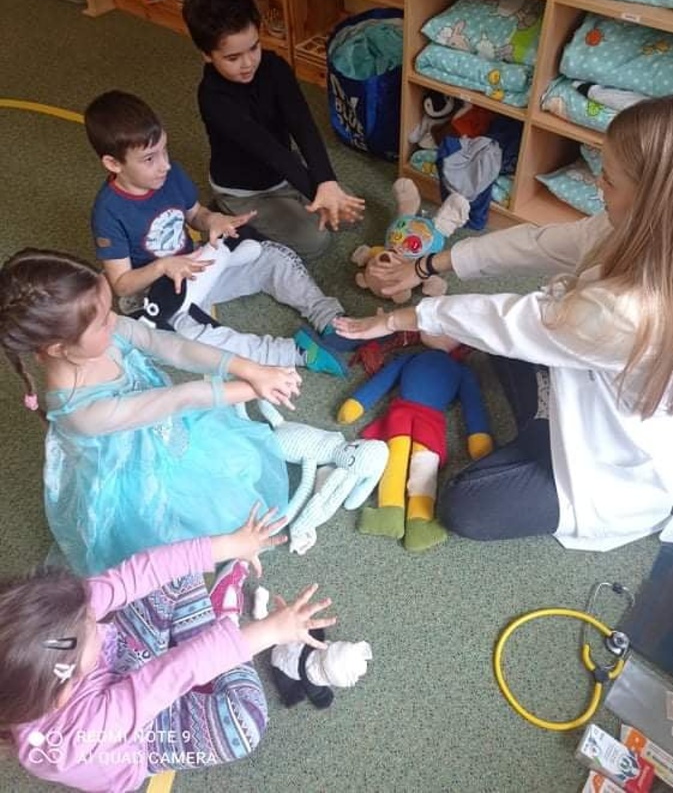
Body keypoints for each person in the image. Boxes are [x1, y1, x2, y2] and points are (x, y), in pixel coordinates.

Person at [334, 96, 673, 553]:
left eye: (609, 180)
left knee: (465, 505)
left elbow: (522, 320)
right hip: (586, 374)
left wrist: (403, 317)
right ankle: (537, 414)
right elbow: (537, 244)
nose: (598, 185)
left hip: (612, 467)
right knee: (500, 343)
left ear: (651, 199)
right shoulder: (632, 227)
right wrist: (426, 265)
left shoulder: (634, 307)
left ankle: (539, 426)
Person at [0, 248, 303, 576]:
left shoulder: (108, 329)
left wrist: (251, 369)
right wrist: (256, 386)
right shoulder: (79, 411)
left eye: (109, 308)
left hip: (170, 429)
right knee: (169, 534)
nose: (114, 319)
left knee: (233, 467)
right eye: (101, 322)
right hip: (135, 474)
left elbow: (173, 346)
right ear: (59, 348)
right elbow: (178, 399)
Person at [0, 507, 336, 793]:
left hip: (119, 666)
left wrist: (230, 544)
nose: (94, 611)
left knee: (174, 572)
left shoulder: (62, 626)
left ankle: (217, 635)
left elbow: (134, 575)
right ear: (63, 689)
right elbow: (168, 676)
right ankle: (223, 622)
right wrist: (269, 631)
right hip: (138, 741)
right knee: (245, 723)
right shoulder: (75, 735)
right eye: (89, 623)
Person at [85, 90, 354, 379]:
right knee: (191, 343)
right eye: (149, 158)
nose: (164, 164)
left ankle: (330, 319)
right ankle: (294, 353)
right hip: (153, 296)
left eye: (165, 150)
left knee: (272, 257)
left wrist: (213, 219)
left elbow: (195, 214)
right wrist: (163, 266)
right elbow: (122, 285)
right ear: (114, 164)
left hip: (196, 267)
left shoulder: (170, 174)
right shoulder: (108, 212)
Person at [181, 0, 366, 260]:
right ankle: (226, 208)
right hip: (246, 191)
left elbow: (303, 125)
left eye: (254, 47)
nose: (248, 63)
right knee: (315, 241)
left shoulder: (275, 67)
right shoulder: (213, 98)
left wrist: (326, 182)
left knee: (350, 214)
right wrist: (318, 194)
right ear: (206, 54)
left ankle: (302, 197)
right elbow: (270, 152)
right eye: (232, 57)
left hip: (284, 171)